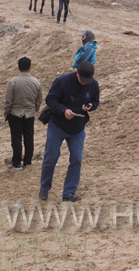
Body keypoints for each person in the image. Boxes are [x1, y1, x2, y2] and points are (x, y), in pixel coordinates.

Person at [39, 61, 99, 203]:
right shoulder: (62, 81)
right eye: (82, 80)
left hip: (78, 129)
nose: (85, 83)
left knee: (77, 160)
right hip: (58, 126)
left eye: (87, 81)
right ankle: (44, 187)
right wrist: (63, 110)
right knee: (51, 158)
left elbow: (96, 101)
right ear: (77, 72)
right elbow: (50, 99)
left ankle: (69, 193)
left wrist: (91, 106)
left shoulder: (93, 84)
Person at [4, 57, 43, 171]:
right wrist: (34, 109)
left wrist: (7, 111)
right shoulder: (36, 82)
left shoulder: (13, 82)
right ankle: (27, 161)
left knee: (16, 139)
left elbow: (8, 100)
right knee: (29, 138)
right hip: (29, 114)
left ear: (18, 68)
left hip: (15, 113)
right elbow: (39, 99)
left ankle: (16, 162)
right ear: (30, 68)